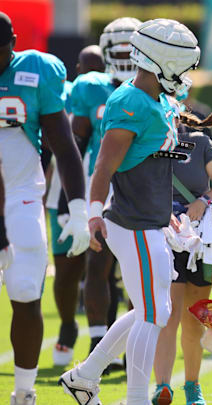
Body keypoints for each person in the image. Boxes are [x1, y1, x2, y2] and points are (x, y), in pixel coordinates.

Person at [58, 18, 202, 405]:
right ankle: (136, 398)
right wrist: (92, 213)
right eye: (182, 63)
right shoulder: (132, 101)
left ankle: (85, 376)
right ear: (163, 61)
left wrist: (165, 211)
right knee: (155, 314)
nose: (187, 73)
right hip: (132, 222)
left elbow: (153, 165)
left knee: (149, 310)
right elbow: (104, 165)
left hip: (149, 219)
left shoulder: (157, 100)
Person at [0, 12, 90, 405]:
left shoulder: (37, 70)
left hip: (22, 191)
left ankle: (24, 391)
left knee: (24, 288)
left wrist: (79, 207)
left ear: (13, 43)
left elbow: (65, 144)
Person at [71, 17, 143, 364]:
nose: (128, 55)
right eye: (122, 49)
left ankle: (133, 342)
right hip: (102, 184)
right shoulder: (90, 87)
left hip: (143, 186)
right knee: (97, 263)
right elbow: (76, 145)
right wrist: (70, 200)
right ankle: (99, 340)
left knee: (138, 269)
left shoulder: (156, 86)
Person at [151, 128, 212, 405]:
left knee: (194, 317)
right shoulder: (147, 136)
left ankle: (192, 386)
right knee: (169, 314)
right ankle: (162, 386)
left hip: (200, 237)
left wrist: (202, 200)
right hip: (164, 234)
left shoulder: (198, 141)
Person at [49, 43, 112, 367]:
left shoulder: (116, 92)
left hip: (99, 189)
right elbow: (59, 146)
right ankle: (68, 324)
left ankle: (104, 342)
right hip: (69, 186)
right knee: (68, 269)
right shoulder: (69, 92)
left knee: (100, 269)